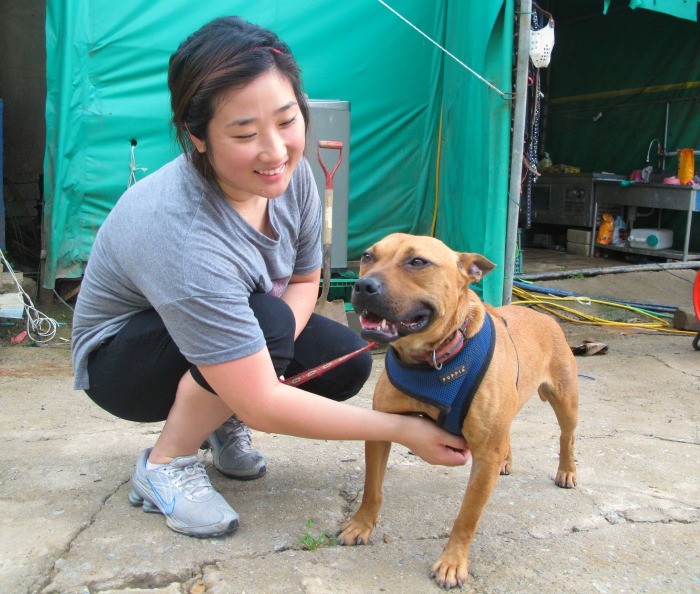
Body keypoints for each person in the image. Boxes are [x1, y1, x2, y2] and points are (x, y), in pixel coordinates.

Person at [71, 15, 469, 538]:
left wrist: (265, 355)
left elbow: (304, 279)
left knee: (343, 360)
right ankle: (166, 463)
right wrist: (403, 430)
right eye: (244, 133)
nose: (275, 152)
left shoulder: (291, 177)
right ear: (197, 137)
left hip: (218, 327)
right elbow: (264, 402)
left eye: (287, 121)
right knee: (268, 326)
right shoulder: (181, 229)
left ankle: (218, 413)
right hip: (123, 364)